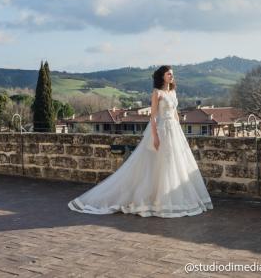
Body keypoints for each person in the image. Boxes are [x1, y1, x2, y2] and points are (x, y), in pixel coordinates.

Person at [67, 65, 213, 218]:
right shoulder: (157, 93)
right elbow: (153, 116)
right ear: (162, 76)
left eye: (172, 74)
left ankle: (167, 199)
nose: (171, 76)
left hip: (174, 131)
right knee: (156, 164)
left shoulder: (173, 92)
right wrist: (155, 136)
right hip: (162, 130)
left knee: (173, 163)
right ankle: (156, 201)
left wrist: (180, 133)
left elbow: (175, 114)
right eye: (169, 74)